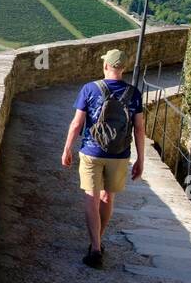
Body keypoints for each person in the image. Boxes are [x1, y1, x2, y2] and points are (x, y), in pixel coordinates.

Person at [60, 48, 146, 268]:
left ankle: (96, 247)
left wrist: (67, 148)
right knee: (108, 197)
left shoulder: (90, 89)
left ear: (106, 66)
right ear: (123, 68)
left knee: (92, 197)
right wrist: (140, 159)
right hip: (119, 155)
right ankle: (98, 240)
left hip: (92, 151)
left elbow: (77, 123)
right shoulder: (134, 94)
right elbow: (138, 129)